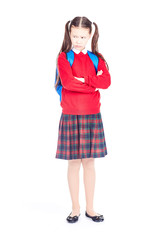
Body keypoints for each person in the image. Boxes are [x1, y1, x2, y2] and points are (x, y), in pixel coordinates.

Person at [54, 16, 111, 223]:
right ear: (70, 34)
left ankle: (91, 208)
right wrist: (92, 86)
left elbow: (106, 82)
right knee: (73, 163)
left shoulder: (96, 58)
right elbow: (68, 83)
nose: (78, 40)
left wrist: (85, 80)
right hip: (70, 114)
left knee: (89, 163)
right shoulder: (63, 57)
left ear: (90, 35)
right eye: (75, 35)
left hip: (92, 114)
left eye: (83, 36)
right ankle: (75, 208)